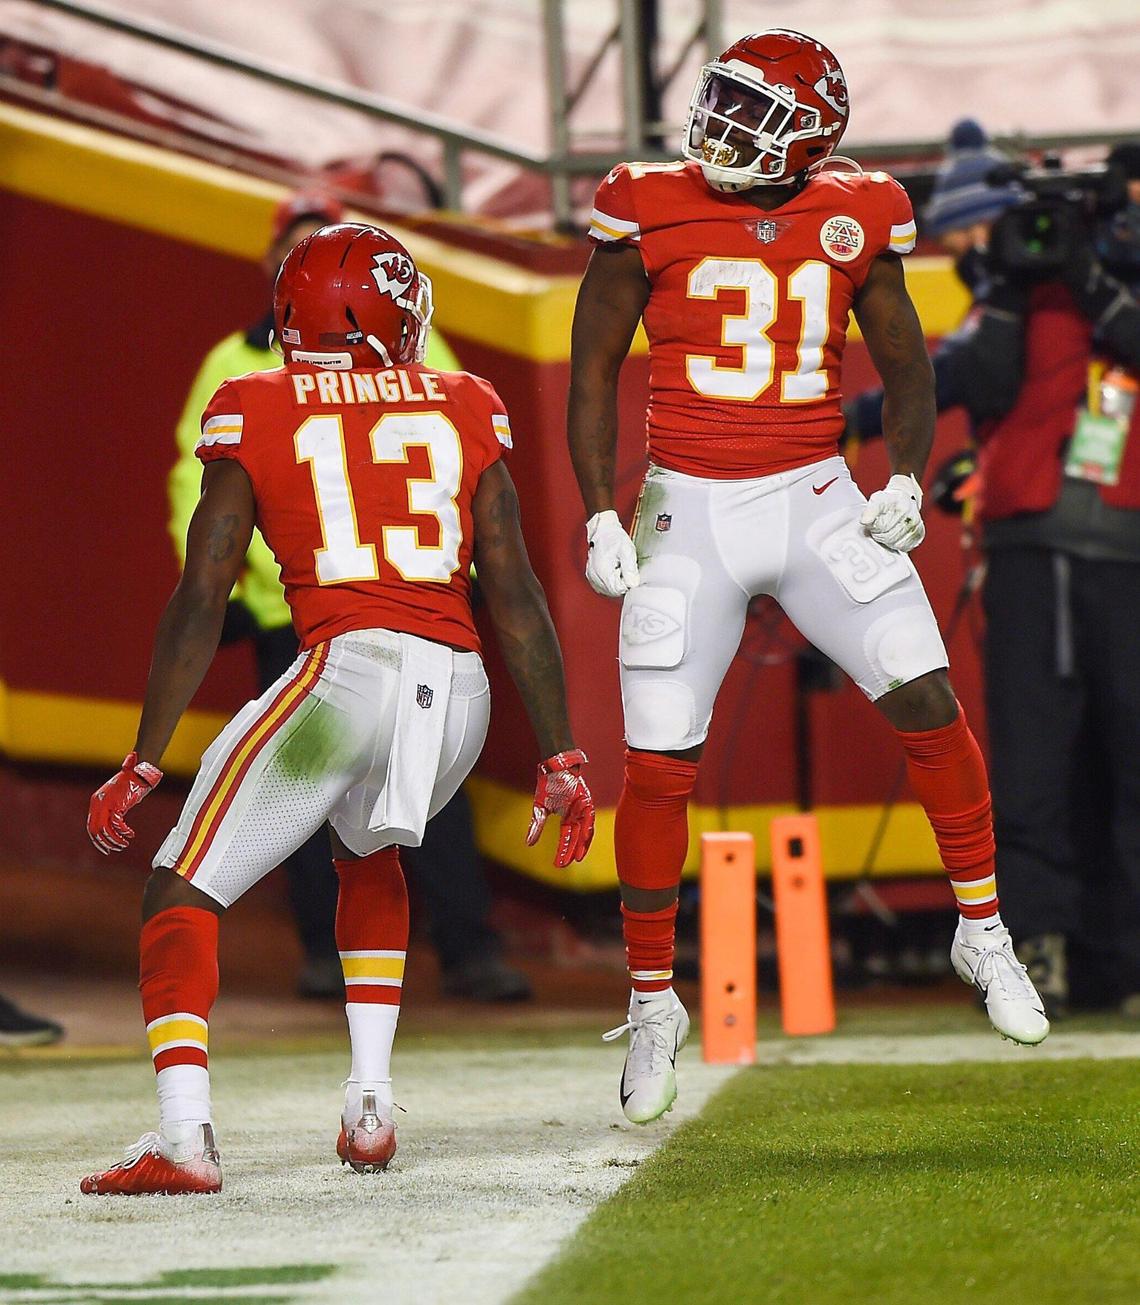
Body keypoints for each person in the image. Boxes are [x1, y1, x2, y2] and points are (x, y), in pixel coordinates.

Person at [568, 29, 1049, 1126]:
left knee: (926, 694)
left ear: (812, 135)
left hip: (816, 491)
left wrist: (911, 478)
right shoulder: (644, 200)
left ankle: (983, 932)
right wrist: (602, 507)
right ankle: (652, 1000)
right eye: (721, 99)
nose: (724, 124)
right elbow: (593, 371)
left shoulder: (858, 210)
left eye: (753, 110)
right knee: (656, 761)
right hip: (686, 504)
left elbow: (908, 364)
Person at [80, 223, 594, 1194]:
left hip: (346, 679)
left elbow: (206, 589)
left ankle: (184, 1141)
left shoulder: (252, 401)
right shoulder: (463, 400)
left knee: (179, 885)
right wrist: (562, 751)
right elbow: (515, 590)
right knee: (371, 856)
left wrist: (145, 756)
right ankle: (369, 1104)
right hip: (461, 689)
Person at [170, 192, 532, 1004]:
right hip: (303, 614)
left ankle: (465, 945)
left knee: (374, 797)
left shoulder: (252, 378)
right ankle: (333, 958)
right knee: (332, 806)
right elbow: (189, 485)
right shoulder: (236, 360)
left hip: (373, 612)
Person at [850, 132, 1140, 1016]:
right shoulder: (1024, 305)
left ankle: (1095, 952)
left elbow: (975, 373)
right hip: (1054, 544)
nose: (976, 252)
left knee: (1070, 759)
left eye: (975, 233)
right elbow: (991, 377)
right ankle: (1062, 947)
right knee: (1055, 760)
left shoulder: (1083, 299)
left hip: (1087, 547)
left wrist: (1083, 277)